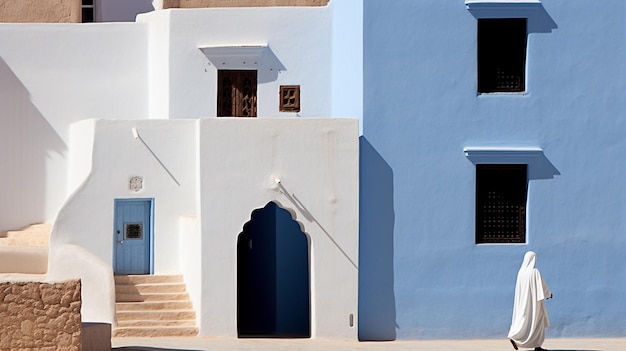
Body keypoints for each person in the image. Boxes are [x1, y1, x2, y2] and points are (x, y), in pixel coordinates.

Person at [507, 251, 553, 351]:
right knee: (537, 322)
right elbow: (542, 286)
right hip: (534, 303)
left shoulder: (520, 272)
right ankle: (537, 346)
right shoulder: (534, 271)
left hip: (522, 302)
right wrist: (549, 294)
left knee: (522, 320)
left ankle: (515, 336)